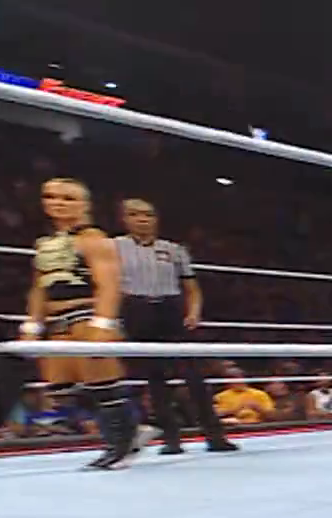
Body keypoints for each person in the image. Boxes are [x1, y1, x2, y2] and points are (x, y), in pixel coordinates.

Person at [20, 177, 134, 469]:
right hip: (56, 319)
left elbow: (110, 284)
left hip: (86, 313)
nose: (57, 203)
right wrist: (32, 325)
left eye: (68, 198)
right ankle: (132, 430)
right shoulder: (46, 244)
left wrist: (103, 324)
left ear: (85, 205)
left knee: (102, 383)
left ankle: (120, 446)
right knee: (60, 387)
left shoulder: (93, 238)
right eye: (51, 196)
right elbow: (39, 288)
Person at [115, 198, 236, 455]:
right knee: (155, 378)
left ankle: (215, 436)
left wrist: (193, 312)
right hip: (135, 308)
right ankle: (171, 440)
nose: (142, 219)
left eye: (148, 215)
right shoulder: (114, 247)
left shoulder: (174, 250)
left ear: (156, 219)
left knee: (194, 373)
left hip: (171, 308)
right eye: (135, 214)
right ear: (125, 219)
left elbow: (192, 287)